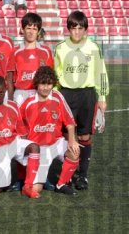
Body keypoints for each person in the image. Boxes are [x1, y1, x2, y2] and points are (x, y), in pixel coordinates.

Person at [54, 10, 109, 190]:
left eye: (80, 28)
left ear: (85, 29)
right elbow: (55, 74)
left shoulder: (93, 48)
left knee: (84, 135)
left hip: (87, 95)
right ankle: (67, 174)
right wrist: (55, 96)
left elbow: (100, 73)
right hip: (66, 94)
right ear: (68, 29)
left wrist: (102, 97)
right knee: (66, 135)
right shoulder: (61, 48)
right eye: (73, 28)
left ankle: (82, 175)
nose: (76, 31)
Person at [20, 66, 80, 196]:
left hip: (56, 143)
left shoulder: (57, 97)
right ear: (36, 84)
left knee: (75, 151)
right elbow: (19, 125)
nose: (46, 87)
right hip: (39, 149)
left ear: (53, 84)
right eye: (43, 83)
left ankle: (61, 184)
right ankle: (36, 176)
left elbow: (70, 123)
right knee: (36, 189)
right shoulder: (28, 103)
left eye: (49, 84)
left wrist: (72, 141)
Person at [0, 76, 40, 198]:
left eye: (1, 93)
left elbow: (22, 131)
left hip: (13, 143)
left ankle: (27, 186)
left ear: (6, 89)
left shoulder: (13, 106)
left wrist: (24, 150)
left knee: (34, 147)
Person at [8, 13, 53, 106]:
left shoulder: (46, 51)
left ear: (39, 31)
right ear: (22, 29)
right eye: (28, 28)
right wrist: (10, 99)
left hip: (39, 93)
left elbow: (50, 77)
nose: (31, 32)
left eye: (34, 29)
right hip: (21, 94)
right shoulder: (15, 52)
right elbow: (10, 78)